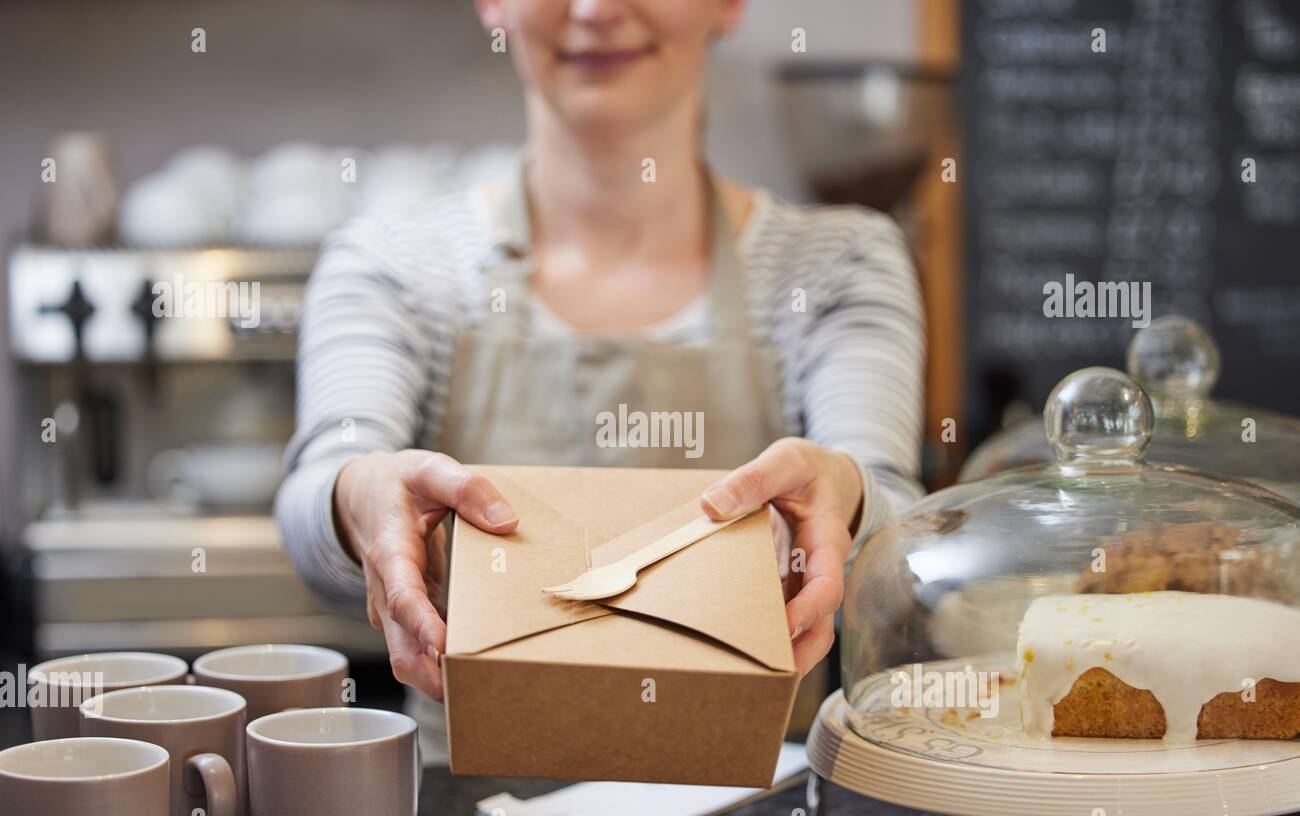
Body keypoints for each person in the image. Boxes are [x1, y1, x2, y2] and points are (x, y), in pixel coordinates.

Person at [276, 0, 925, 758]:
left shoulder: (839, 264)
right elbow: (314, 498)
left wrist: (848, 501)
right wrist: (356, 498)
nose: (595, 9)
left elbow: (900, 543)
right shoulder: (393, 266)